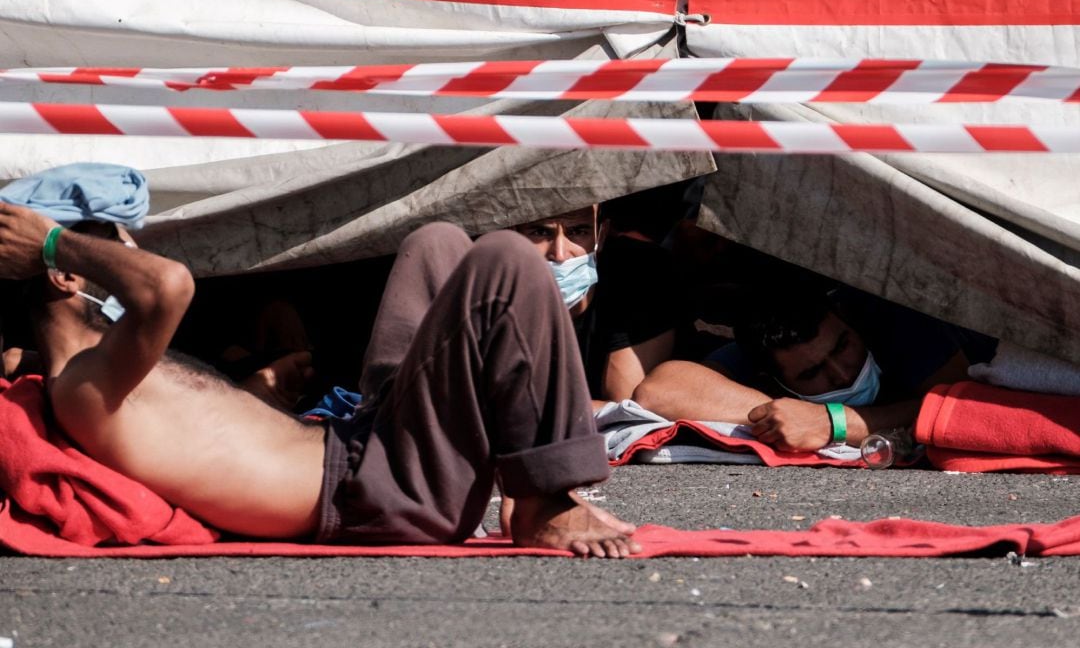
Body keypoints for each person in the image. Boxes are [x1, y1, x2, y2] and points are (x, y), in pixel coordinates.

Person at [0, 204, 639, 557]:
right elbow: (168, 284)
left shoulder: (109, 371)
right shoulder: (79, 381)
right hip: (378, 491)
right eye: (114, 247)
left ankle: (521, 477)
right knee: (504, 258)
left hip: (366, 442)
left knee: (436, 243)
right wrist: (55, 238)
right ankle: (543, 499)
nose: (134, 257)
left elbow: (212, 440)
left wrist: (260, 394)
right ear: (66, 274)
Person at [632, 287, 988, 452]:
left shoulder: (892, 317)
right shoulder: (756, 358)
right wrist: (785, 416)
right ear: (771, 380)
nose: (841, 373)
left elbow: (963, 406)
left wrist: (833, 422)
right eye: (811, 373)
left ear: (848, 320)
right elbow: (659, 391)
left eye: (843, 346)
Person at [514, 204, 678, 403]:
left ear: (601, 235)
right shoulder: (490, 289)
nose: (560, 254)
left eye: (578, 232)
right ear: (513, 236)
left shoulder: (639, 274)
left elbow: (624, 408)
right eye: (540, 232)